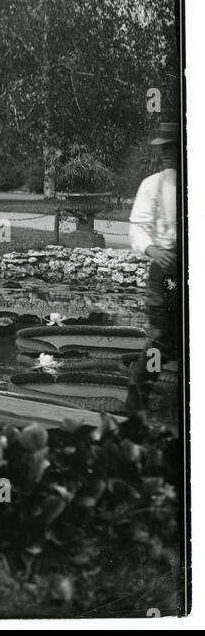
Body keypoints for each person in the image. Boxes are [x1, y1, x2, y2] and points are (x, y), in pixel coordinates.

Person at [125, 121, 180, 417]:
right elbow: (138, 229)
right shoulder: (152, 185)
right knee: (160, 340)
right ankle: (136, 406)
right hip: (166, 272)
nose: (167, 154)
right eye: (164, 148)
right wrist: (154, 250)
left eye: (173, 147)